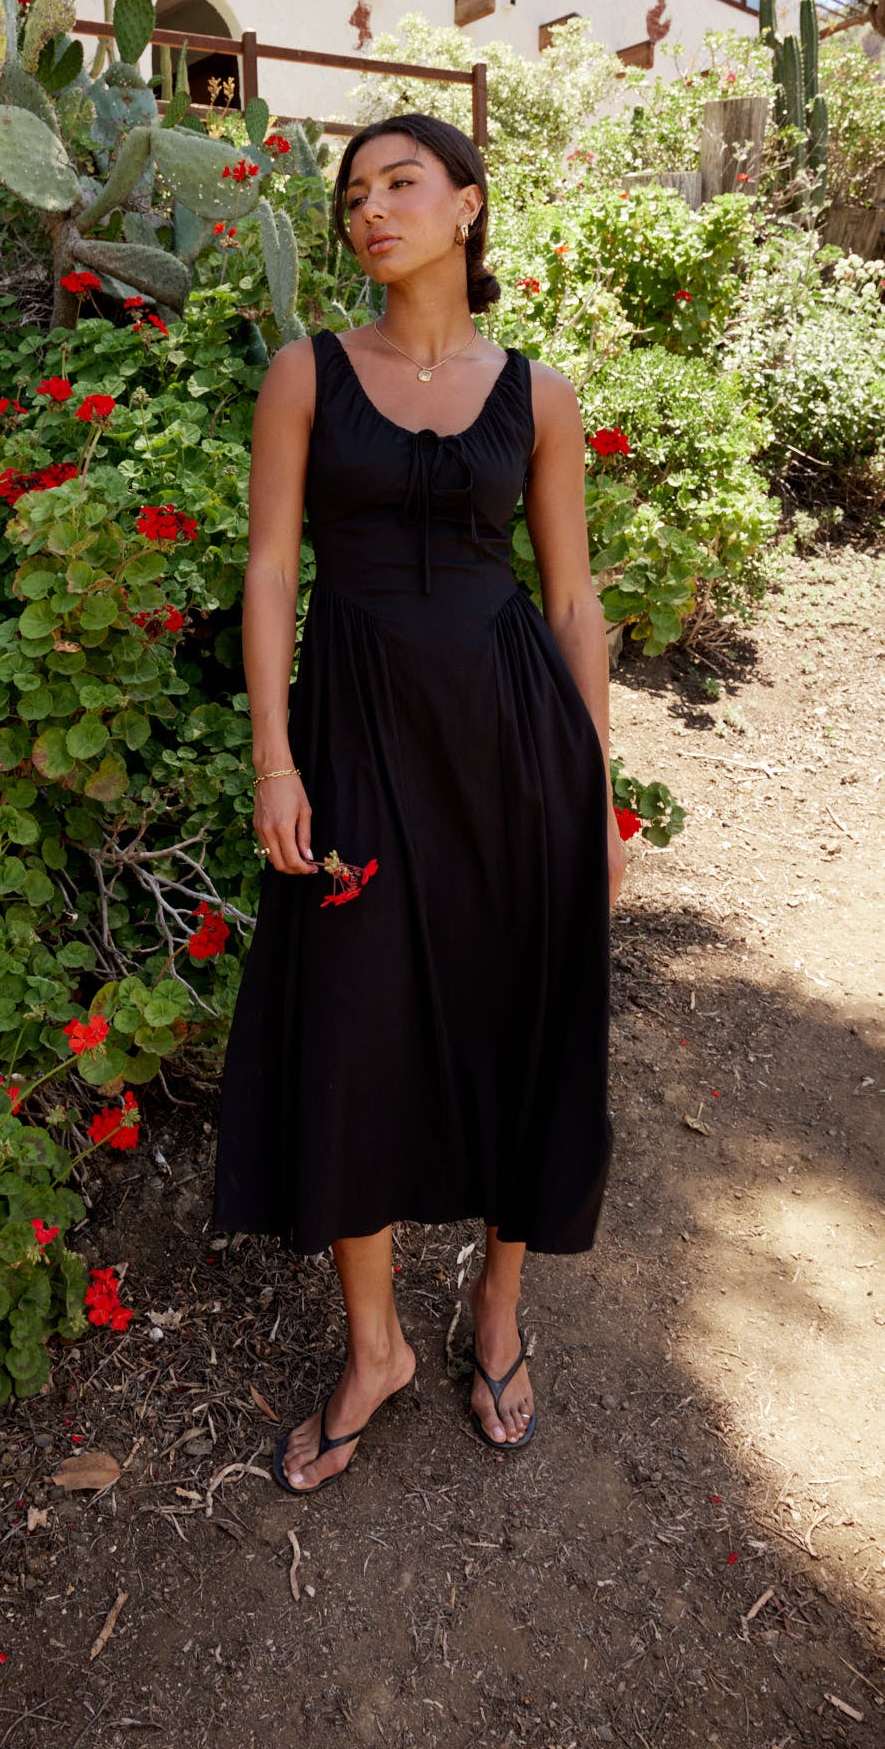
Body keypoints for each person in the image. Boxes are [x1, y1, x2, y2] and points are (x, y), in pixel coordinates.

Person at [209, 113, 624, 1494]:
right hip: (358, 736)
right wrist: (276, 759)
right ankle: (375, 1345)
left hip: (517, 747)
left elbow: (572, 599)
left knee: (523, 1013)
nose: (370, 210)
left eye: (400, 184)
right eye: (352, 196)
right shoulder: (307, 374)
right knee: (353, 1024)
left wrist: (596, 793)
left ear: (467, 205)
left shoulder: (540, 395)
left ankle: (499, 1307)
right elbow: (271, 570)